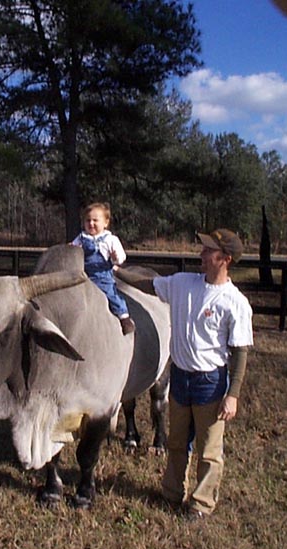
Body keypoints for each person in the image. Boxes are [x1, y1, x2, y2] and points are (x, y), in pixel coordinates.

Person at [115, 228, 253, 520]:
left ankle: (201, 503)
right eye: (202, 250)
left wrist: (233, 394)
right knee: (177, 442)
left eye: (208, 252)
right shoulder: (182, 284)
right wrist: (115, 270)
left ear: (225, 259)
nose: (201, 255)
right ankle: (171, 493)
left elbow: (240, 351)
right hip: (180, 377)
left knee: (208, 449)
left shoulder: (234, 302)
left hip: (210, 383)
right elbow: (148, 284)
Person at [72, 202, 135, 335]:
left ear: (106, 223)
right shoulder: (82, 238)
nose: (91, 223)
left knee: (111, 295)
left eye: (95, 220)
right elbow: (72, 249)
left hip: (102, 276)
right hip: (83, 275)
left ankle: (124, 316)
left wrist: (115, 257)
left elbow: (121, 258)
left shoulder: (110, 239)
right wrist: (71, 249)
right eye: (88, 220)